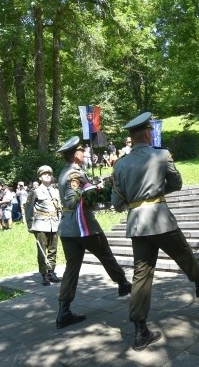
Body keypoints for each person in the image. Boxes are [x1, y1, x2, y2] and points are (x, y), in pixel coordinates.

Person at [111, 112, 199, 352]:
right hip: (160, 218)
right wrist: (156, 193)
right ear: (148, 132)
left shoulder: (120, 165)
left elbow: (116, 203)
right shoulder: (161, 155)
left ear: (131, 137)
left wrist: (135, 199)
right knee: (184, 254)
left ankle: (140, 330)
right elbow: (176, 183)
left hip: (137, 223)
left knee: (141, 274)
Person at [55, 136, 132, 330]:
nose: (85, 153)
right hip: (83, 226)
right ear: (76, 154)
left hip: (67, 229)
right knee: (106, 255)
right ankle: (123, 284)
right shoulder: (74, 174)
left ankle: (64, 310)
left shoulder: (64, 172)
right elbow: (76, 199)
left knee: (72, 268)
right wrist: (103, 190)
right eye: (82, 150)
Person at [24, 165, 62, 286]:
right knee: (42, 251)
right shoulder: (35, 192)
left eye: (49, 174)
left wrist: (60, 223)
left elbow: (59, 209)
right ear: (40, 177)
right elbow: (28, 209)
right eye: (44, 174)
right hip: (40, 224)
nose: (47, 176)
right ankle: (44, 274)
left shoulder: (55, 191)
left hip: (54, 224)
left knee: (53, 249)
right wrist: (30, 226)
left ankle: (52, 272)